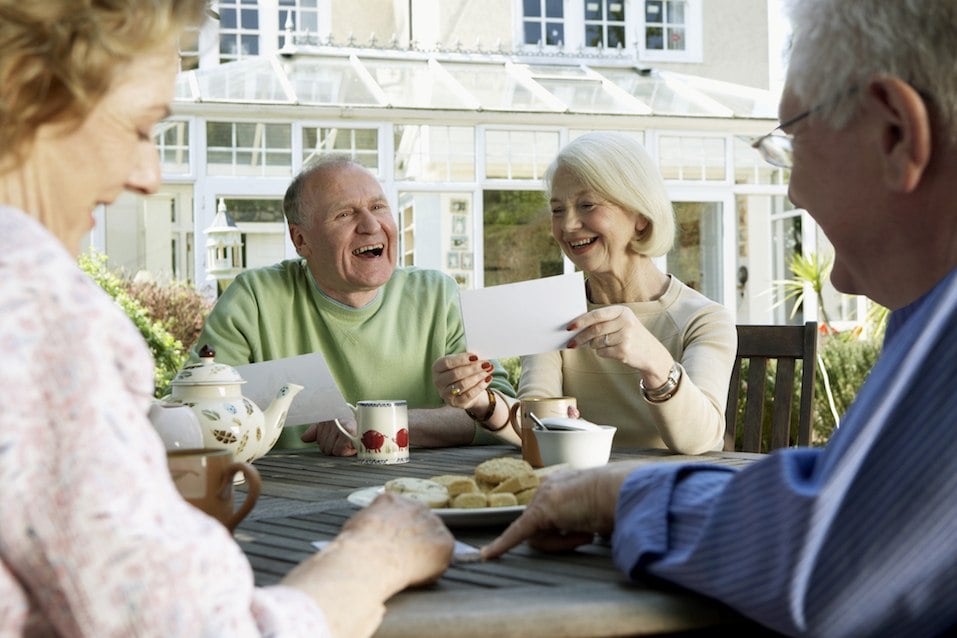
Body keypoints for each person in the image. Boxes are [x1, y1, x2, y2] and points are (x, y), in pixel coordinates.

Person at [483, 1, 957, 636]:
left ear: (896, 133)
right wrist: (487, 407)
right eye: (557, 208)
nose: (789, 190)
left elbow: (822, 555)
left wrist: (617, 494)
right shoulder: (927, 315)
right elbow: (848, 493)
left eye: (791, 138)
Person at [0, 2, 453, 636]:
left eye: (379, 206)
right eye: (138, 128)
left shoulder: (434, 292)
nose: (148, 175)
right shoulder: (39, 308)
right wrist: (372, 558)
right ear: (30, 103)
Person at [192, 155, 516, 455]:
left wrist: (376, 423)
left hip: (423, 491)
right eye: (345, 214)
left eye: (378, 207)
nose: (371, 225)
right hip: (287, 500)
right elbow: (196, 412)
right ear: (301, 240)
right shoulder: (254, 300)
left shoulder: (437, 295)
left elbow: (503, 414)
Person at [435, 132, 736, 455]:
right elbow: (537, 422)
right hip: (575, 488)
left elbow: (702, 440)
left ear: (640, 216)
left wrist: (654, 361)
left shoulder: (703, 319)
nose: (567, 226)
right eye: (557, 210)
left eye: (586, 205)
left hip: (667, 493)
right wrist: (482, 400)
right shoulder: (554, 309)